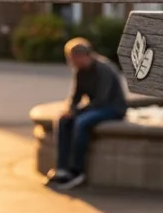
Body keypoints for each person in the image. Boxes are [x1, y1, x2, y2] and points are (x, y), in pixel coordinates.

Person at [47, 37, 127, 191]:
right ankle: (62, 168)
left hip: (112, 108)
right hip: (95, 107)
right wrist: (70, 109)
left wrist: (78, 112)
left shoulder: (105, 70)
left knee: (82, 122)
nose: (71, 64)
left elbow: (102, 99)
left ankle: (77, 170)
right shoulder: (80, 71)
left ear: (82, 56)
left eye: (72, 60)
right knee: (63, 121)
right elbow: (76, 96)